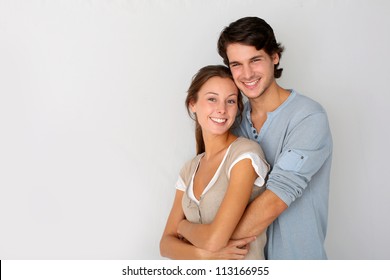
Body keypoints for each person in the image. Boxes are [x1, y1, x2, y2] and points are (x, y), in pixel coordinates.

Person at [216, 17, 333, 259]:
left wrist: (208, 245)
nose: (246, 74)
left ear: (274, 56)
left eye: (255, 60)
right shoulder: (231, 123)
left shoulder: (309, 117)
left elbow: (275, 200)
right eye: (236, 64)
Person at [160, 65, 270, 259]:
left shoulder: (245, 155)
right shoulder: (189, 169)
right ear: (192, 104)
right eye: (212, 99)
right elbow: (165, 245)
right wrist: (205, 256)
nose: (221, 109)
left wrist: (183, 226)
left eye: (230, 101)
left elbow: (215, 240)